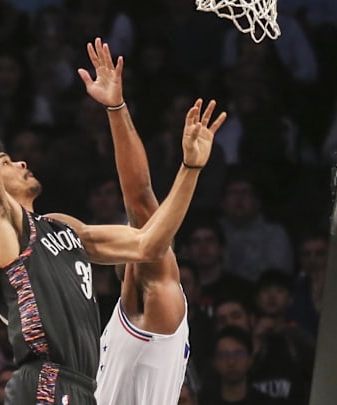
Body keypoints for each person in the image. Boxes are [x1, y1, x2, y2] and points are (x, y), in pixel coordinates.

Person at [0, 1, 220, 404]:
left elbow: (149, 242)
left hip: (80, 387)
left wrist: (190, 168)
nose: (21, 161)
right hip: (45, 380)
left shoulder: (62, 227)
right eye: (5, 161)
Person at [77, 38, 226, 405]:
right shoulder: (129, 318)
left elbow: (142, 204)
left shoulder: (158, 303)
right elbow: (142, 209)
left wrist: (116, 109)